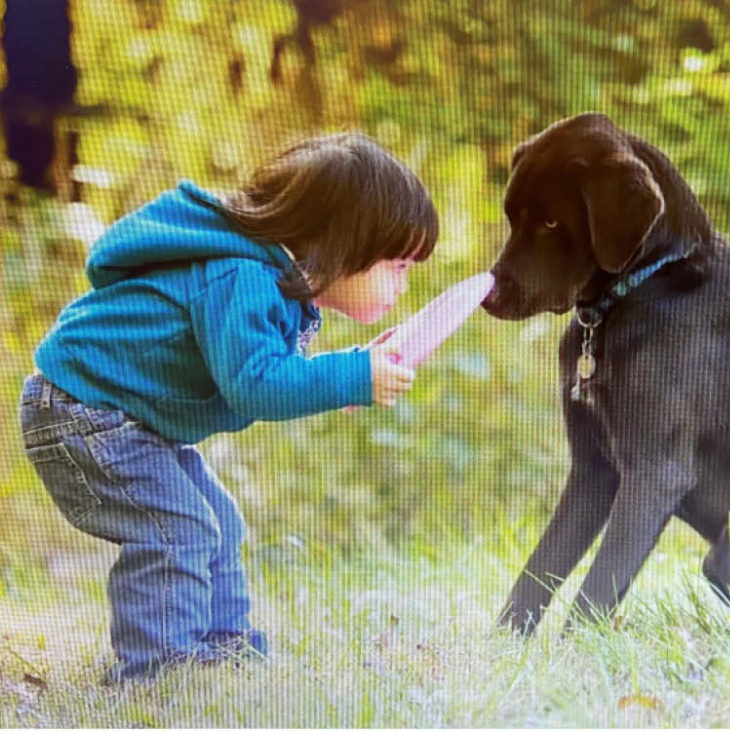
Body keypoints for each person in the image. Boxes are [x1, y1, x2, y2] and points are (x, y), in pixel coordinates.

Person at [18, 132, 438, 683]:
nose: (403, 285)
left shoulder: (268, 281)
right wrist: (352, 379)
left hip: (118, 417)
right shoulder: (241, 276)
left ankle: (224, 646)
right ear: (342, 244)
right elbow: (256, 383)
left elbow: (268, 366)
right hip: (81, 413)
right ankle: (159, 673)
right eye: (398, 266)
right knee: (177, 528)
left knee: (217, 520)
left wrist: (353, 370)